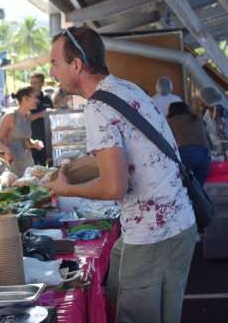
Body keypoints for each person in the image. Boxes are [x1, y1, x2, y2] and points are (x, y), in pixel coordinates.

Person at [45, 27, 196, 323]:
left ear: (76, 65)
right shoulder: (124, 88)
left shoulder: (97, 107)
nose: (51, 72)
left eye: (54, 63)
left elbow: (114, 186)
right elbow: (125, 154)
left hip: (154, 234)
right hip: (178, 223)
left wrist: (66, 189)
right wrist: (71, 171)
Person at [0, 87, 44, 177]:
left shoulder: (28, 115)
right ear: (25, 99)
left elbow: (26, 140)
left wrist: (35, 143)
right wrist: (7, 150)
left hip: (27, 163)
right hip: (12, 165)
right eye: (35, 97)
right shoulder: (10, 116)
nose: (37, 100)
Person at [167, 102, 211, 185]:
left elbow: (168, 141)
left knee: (181, 187)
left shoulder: (170, 121)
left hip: (185, 153)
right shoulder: (196, 118)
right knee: (198, 190)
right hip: (204, 155)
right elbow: (205, 136)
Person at [29, 73, 53, 165]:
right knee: (33, 167)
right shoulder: (28, 99)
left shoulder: (47, 99)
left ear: (42, 83)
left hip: (46, 138)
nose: (33, 86)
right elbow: (24, 119)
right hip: (31, 139)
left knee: (45, 166)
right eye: (31, 83)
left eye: (35, 83)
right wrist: (40, 114)